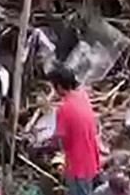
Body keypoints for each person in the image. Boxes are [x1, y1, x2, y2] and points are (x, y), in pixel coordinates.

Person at [50, 64, 100, 195]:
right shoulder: (82, 96)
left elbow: (59, 138)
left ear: (59, 86)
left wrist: (48, 144)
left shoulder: (64, 108)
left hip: (77, 165)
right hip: (91, 158)